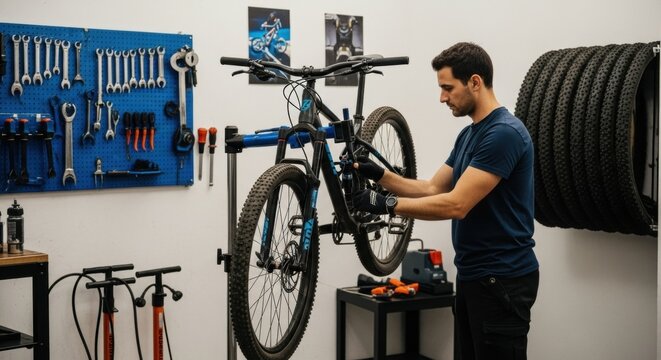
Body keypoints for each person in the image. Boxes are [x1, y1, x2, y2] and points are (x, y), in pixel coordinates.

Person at [352, 42, 539, 360]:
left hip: (502, 280)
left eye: (448, 88)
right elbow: (431, 188)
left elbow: (456, 205)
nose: (442, 97)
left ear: (475, 82)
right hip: (473, 276)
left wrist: (386, 204)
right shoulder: (470, 135)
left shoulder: (504, 134)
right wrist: (381, 175)